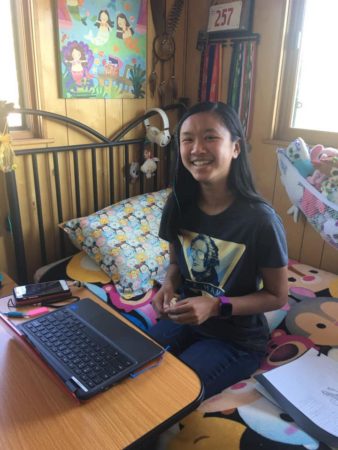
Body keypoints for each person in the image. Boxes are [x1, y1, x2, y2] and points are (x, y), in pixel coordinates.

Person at [149, 101, 289, 400]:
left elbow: (277, 296)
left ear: (235, 148)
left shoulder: (260, 221)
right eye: (187, 139)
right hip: (185, 321)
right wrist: (168, 286)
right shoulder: (178, 204)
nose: (197, 148)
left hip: (236, 340)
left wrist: (215, 306)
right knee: (129, 365)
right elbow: (176, 264)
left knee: (165, 396)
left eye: (210, 137)